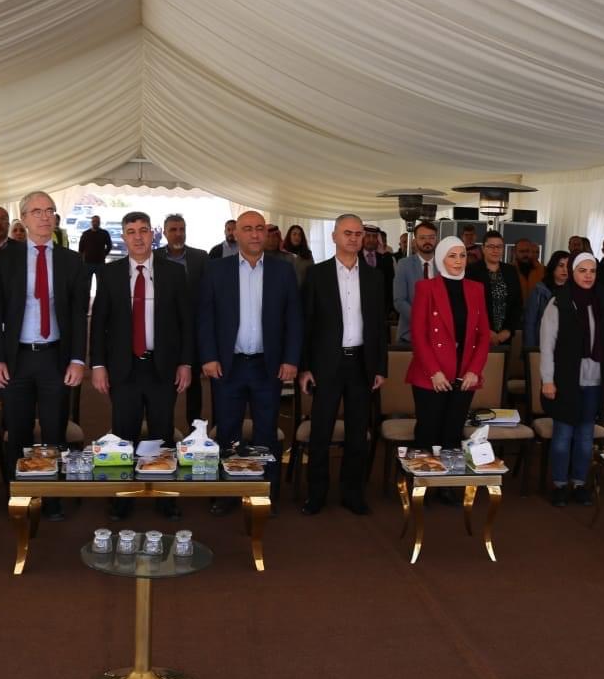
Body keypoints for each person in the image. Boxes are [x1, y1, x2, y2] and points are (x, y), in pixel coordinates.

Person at [0, 191, 89, 522]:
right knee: (17, 432)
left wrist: (78, 359)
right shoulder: (5, 259)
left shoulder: (71, 261)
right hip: (16, 358)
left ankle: (52, 497)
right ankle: (20, 494)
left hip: (54, 357)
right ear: (24, 219)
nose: (45, 217)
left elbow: (78, 315)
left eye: (50, 211)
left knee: (53, 431)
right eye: (37, 211)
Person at [197, 209, 302, 514]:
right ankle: (228, 493)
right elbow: (205, 317)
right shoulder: (217, 270)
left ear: (266, 233)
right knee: (228, 431)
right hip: (228, 365)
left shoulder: (283, 270)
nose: (255, 234)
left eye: (259, 228)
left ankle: (264, 492)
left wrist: (291, 359)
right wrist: (208, 356)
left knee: (266, 433)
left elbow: (294, 319)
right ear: (236, 233)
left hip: (267, 366)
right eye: (248, 229)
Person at [90, 212, 193, 522]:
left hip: (162, 367)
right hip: (124, 369)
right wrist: (98, 365)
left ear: (153, 235)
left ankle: (163, 496)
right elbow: (99, 324)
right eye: (131, 231)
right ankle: (124, 497)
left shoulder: (174, 272)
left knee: (162, 433)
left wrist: (185, 362)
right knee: (124, 433)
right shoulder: (109, 273)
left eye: (144, 230)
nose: (138, 237)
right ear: (123, 237)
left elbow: (186, 323)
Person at [298, 215, 388, 516]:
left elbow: (379, 326)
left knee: (357, 434)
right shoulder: (317, 274)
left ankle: (353, 493)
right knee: (320, 432)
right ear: (334, 236)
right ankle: (317, 493)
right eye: (347, 233)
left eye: (358, 234)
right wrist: (305, 367)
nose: (353, 238)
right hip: (326, 364)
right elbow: (306, 324)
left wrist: (380, 367)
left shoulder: (374, 277)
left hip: (361, 363)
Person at [539, 253, 604, 507]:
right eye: (582, 270)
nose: (587, 275)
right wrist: (547, 379)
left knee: (585, 436)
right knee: (563, 435)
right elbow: (547, 345)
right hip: (565, 379)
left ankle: (580, 484)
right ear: (572, 273)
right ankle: (560, 485)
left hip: (595, 381)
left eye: (592, 271)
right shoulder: (558, 302)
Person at [406, 236, 489, 469]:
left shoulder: (476, 288)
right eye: (452, 256)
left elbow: (483, 335)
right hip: (431, 374)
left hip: (465, 374)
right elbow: (419, 335)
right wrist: (434, 371)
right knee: (428, 432)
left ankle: (449, 482)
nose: (459, 261)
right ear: (441, 258)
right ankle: (423, 481)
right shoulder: (426, 287)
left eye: (462, 255)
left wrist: (474, 370)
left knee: (453, 434)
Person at [160, 214, 209, 423]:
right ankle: (164, 428)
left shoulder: (201, 257)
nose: (178, 234)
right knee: (164, 384)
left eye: (181, 229)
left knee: (194, 382)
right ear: (164, 233)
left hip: (192, 330)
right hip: (163, 332)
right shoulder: (154, 257)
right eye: (173, 230)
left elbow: (208, 293)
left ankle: (194, 427)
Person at [467, 230, 522, 346]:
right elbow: (469, 304)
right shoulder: (471, 271)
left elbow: (517, 303)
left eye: (499, 247)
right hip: (478, 334)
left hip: (505, 336)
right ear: (483, 248)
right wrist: (485, 330)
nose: (495, 250)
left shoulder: (511, 271)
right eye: (491, 246)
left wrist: (508, 330)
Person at [391, 220, 438, 344]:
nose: (427, 241)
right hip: (410, 335)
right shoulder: (404, 265)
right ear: (415, 241)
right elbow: (399, 301)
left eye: (431, 237)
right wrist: (423, 320)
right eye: (422, 238)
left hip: (440, 335)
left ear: (436, 239)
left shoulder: (444, 264)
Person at [523, 250, 571, 348]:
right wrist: (530, 349)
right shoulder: (539, 290)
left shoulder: (575, 291)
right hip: (542, 343)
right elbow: (530, 322)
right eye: (561, 265)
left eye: (568, 266)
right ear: (553, 267)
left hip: (567, 345)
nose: (565, 270)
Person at [361, 223, 395, 300]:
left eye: (374, 236)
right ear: (362, 238)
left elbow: (390, 284)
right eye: (368, 236)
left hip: (382, 302)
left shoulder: (387, 258)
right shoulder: (355, 257)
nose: (371, 240)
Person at [77, 214, 113, 279]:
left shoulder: (104, 233)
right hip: (87, 262)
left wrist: (104, 254)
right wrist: (81, 259)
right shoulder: (86, 233)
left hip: (100, 262)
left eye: (97, 221)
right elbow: (81, 248)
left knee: (101, 282)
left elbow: (109, 246)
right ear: (91, 222)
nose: (95, 223)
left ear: (99, 223)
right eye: (94, 221)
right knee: (86, 283)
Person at [512, 238, 543, 302]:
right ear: (515, 252)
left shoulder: (543, 270)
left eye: (528, 251)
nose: (525, 254)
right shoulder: (508, 271)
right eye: (521, 251)